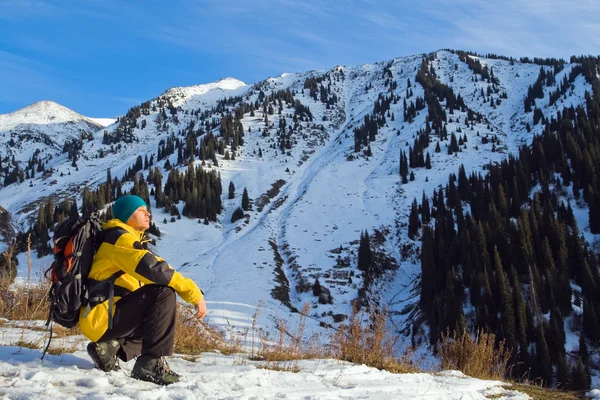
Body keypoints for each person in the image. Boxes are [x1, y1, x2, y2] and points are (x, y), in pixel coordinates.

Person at [80, 194, 207, 385]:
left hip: (102, 319)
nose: (147, 213)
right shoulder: (120, 240)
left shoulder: (123, 239)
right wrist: (193, 292)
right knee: (163, 294)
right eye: (140, 210)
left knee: (156, 311)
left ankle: (110, 347)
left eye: (147, 209)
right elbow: (155, 269)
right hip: (102, 318)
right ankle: (150, 364)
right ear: (126, 215)